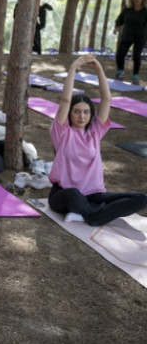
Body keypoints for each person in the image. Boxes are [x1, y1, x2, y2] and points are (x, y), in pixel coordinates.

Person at [47, 54, 147, 226]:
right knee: (73, 195)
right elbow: (65, 100)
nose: (82, 116)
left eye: (86, 112)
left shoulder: (95, 132)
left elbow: (107, 100)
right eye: (77, 111)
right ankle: (93, 215)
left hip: (93, 195)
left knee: (140, 199)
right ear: (70, 113)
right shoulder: (62, 132)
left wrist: (99, 68)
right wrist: (73, 68)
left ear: (91, 115)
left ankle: (88, 213)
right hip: (63, 195)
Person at [113, 0, 147, 85]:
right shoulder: (127, 9)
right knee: (120, 54)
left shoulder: (145, 11)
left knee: (136, 55)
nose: (137, 0)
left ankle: (135, 74)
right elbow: (120, 19)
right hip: (127, 35)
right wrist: (116, 28)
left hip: (140, 36)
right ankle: (120, 70)